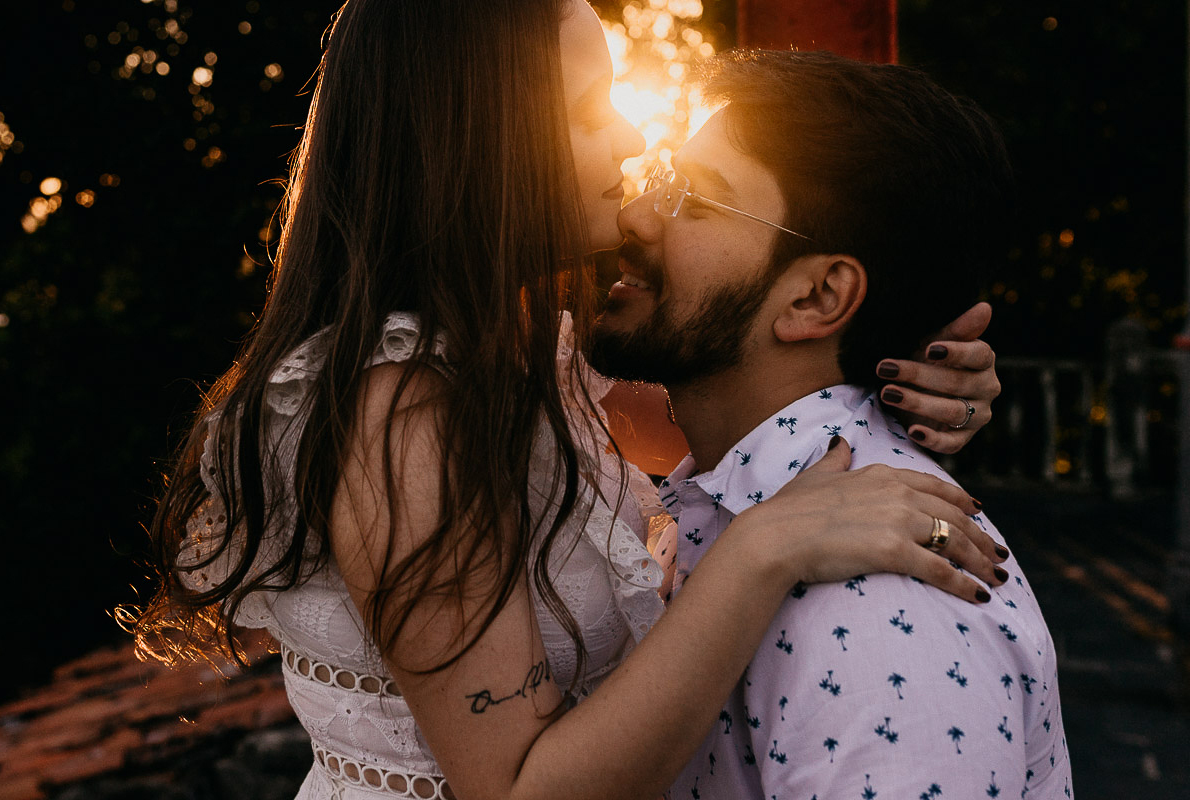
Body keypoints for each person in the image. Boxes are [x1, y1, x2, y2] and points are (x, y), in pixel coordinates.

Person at [124, 3, 1009, 800]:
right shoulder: (399, 416)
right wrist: (762, 550)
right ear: (478, 140)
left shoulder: (527, 347)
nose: (630, 139)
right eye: (591, 110)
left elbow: (739, 420)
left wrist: (898, 382)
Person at [589, 49, 1072, 799]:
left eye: (696, 199)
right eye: (661, 178)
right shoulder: (731, 501)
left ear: (817, 298)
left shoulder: (888, 607)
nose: (637, 212)